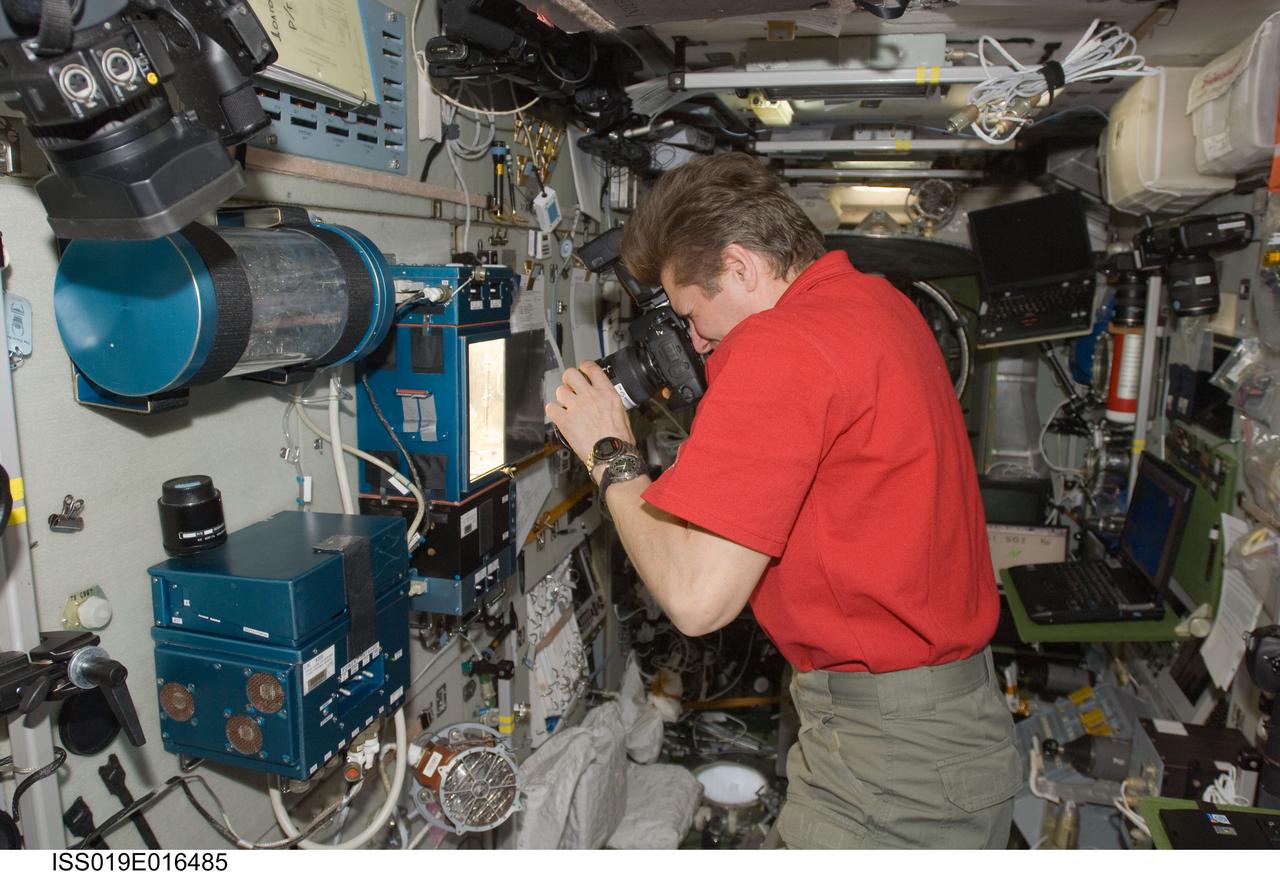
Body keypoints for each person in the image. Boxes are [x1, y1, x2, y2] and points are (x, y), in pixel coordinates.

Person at [545, 152, 1020, 849]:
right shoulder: (878, 303)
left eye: (694, 317)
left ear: (740, 267)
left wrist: (610, 453)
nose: (698, 345)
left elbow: (698, 599)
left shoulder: (781, 344)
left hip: (893, 756)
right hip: (934, 723)